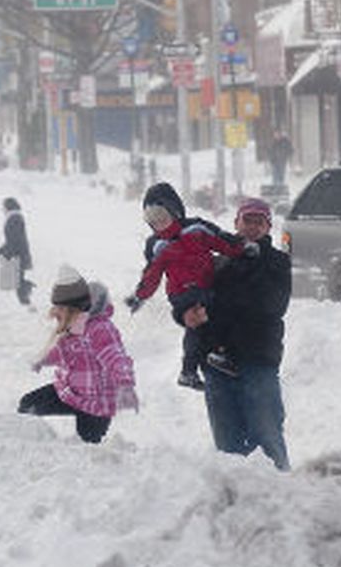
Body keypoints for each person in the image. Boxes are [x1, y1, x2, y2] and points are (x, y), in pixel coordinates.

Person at [183, 197, 291, 471]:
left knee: (267, 435)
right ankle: (237, 499)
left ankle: (282, 494)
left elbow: (272, 305)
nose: (252, 227)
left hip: (258, 361)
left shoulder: (277, 262)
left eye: (259, 221)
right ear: (236, 224)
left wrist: (240, 272)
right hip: (217, 364)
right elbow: (194, 302)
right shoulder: (217, 263)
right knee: (227, 444)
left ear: (268, 227)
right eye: (247, 220)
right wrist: (186, 315)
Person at [124, 182, 249, 390]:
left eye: (161, 215)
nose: (158, 222)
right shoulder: (156, 244)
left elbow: (221, 241)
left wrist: (242, 249)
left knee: (200, 324)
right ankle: (218, 351)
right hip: (180, 292)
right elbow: (151, 275)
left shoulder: (196, 228)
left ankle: (188, 371)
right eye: (151, 219)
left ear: (174, 210)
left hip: (205, 284)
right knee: (204, 312)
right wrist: (140, 296)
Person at [18, 266, 138, 444]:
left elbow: (116, 358)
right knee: (28, 405)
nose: (56, 314)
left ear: (73, 309)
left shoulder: (100, 329)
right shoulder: (71, 328)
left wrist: (125, 384)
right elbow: (61, 352)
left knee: (88, 449)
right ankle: (27, 446)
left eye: (60, 309)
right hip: (69, 393)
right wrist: (43, 360)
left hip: (96, 405)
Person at [0, 197, 34, 306]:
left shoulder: (14, 219)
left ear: (8, 206)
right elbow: (12, 239)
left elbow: (15, 239)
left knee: (16, 282)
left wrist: (6, 253)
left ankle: (27, 303)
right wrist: (0, 251)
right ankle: (26, 301)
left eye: (4, 207)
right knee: (15, 280)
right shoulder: (14, 218)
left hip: (17, 254)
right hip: (18, 253)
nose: (2, 209)